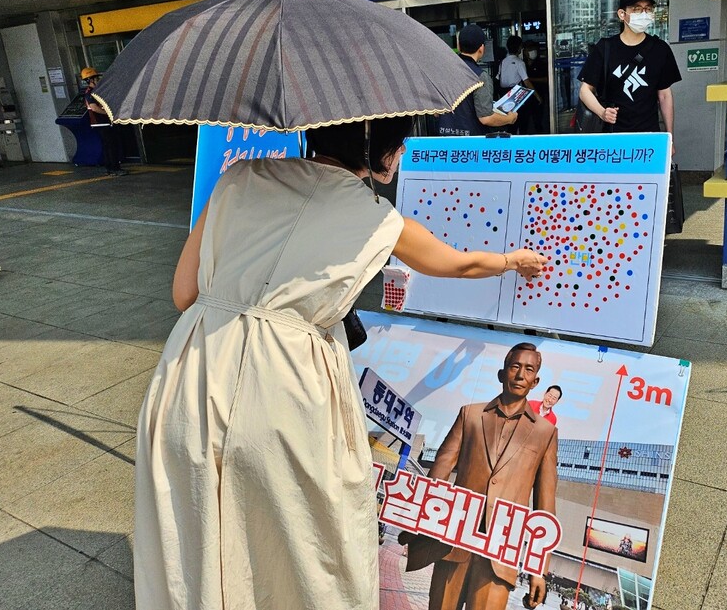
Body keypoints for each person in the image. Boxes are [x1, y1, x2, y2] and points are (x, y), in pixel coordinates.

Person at [133, 117, 548, 610]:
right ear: (381, 153)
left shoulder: (238, 177)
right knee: (303, 549)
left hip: (192, 371)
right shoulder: (377, 217)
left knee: (196, 531)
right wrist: (514, 260)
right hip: (287, 383)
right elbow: (459, 263)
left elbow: (184, 294)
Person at [401, 342, 558, 610]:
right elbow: (440, 469)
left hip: (500, 555)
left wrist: (538, 568)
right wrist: (421, 520)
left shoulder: (545, 433)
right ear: (502, 373)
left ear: (535, 381)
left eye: (528, 370)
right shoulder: (470, 415)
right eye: (515, 367)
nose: (520, 375)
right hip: (453, 543)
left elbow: (545, 505)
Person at [577, 0, 682, 152]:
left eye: (648, 9)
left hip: (649, 137)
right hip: (612, 138)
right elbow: (585, 91)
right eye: (636, 9)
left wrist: (669, 138)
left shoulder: (660, 49)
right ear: (622, 14)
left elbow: (665, 95)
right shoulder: (605, 48)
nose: (643, 13)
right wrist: (602, 112)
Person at [437, 24, 517, 136]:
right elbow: (486, 118)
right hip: (471, 145)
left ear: (459, 46)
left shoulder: (443, 71)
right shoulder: (480, 76)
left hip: (444, 141)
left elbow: (436, 112)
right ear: (481, 49)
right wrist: (509, 118)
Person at [82, 67, 127, 176]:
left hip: (104, 123)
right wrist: (108, 113)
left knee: (109, 146)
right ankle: (114, 169)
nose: (99, 80)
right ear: (90, 80)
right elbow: (94, 108)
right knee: (110, 146)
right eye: (96, 78)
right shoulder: (90, 93)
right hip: (102, 123)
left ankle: (111, 168)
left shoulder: (96, 91)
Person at [522, 40, 549, 134]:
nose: (532, 51)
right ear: (524, 51)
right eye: (529, 49)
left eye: (533, 49)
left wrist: (530, 80)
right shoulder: (522, 64)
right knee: (524, 122)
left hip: (539, 96)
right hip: (524, 98)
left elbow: (546, 79)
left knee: (538, 121)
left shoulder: (541, 64)